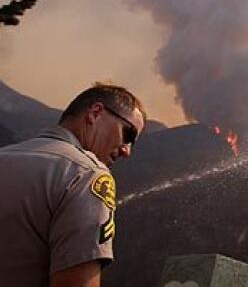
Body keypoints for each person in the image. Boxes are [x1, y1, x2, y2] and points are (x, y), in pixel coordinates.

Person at [0, 83, 146, 287]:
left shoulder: (5, 155)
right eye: (128, 135)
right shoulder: (87, 175)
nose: (126, 150)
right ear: (96, 113)